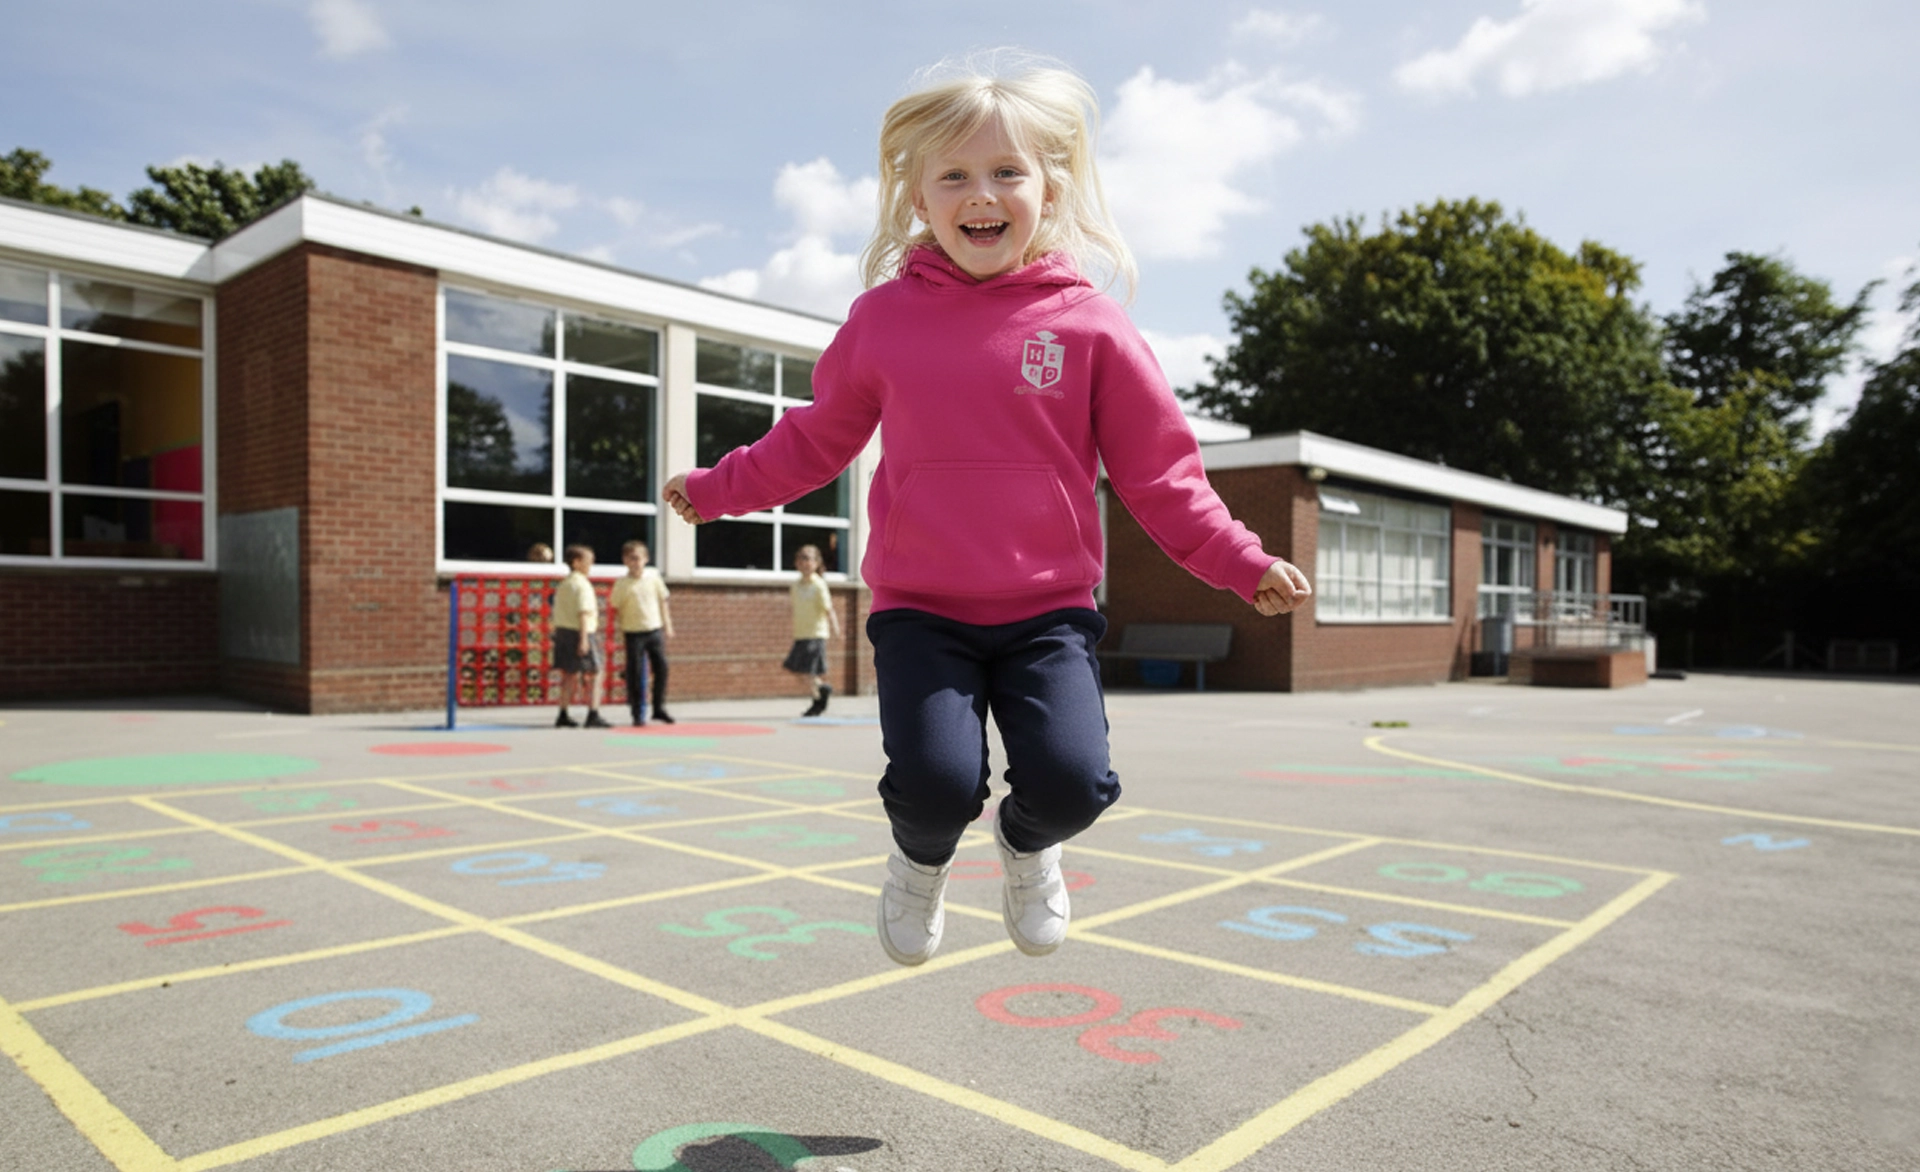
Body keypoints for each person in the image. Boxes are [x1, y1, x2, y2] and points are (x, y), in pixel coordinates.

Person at [662, 54, 1311, 968]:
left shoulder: (1091, 326)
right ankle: (919, 863)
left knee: (1078, 784)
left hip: (1048, 612)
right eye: (956, 174)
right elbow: (814, 438)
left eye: (1008, 171)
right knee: (934, 787)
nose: (984, 192)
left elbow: (1163, 477)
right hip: (921, 608)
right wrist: (721, 487)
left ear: (1051, 190)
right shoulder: (883, 321)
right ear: (919, 199)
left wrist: (1242, 561)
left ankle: (1025, 843)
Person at [610, 540, 675, 726]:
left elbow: (663, 602)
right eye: (631, 559)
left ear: (645, 559)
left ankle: (658, 707)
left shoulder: (653, 579)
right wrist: (617, 631)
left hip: (653, 629)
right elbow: (616, 608)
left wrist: (667, 625)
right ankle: (637, 711)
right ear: (625, 561)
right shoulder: (622, 584)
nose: (635, 562)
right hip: (633, 632)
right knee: (636, 672)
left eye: (638, 558)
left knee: (661, 667)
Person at [551, 544, 611, 729]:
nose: (591, 564)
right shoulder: (582, 585)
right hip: (582, 632)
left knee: (569, 674)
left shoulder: (565, 584)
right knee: (596, 672)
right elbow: (583, 613)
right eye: (588, 561)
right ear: (576, 562)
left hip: (563, 631)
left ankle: (563, 713)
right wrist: (584, 639)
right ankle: (593, 713)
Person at [783, 544, 841, 717]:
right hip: (801, 633)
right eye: (802, 558)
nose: (806, 562)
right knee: (798, 670)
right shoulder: (796, 585)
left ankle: (818, 701)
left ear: (817, 563)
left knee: (808, 671)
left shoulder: (819, 584)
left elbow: (828, 609)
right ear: (797, 562)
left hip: (816, 633)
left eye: (810, 559)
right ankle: (822, 692)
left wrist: (836, 628)